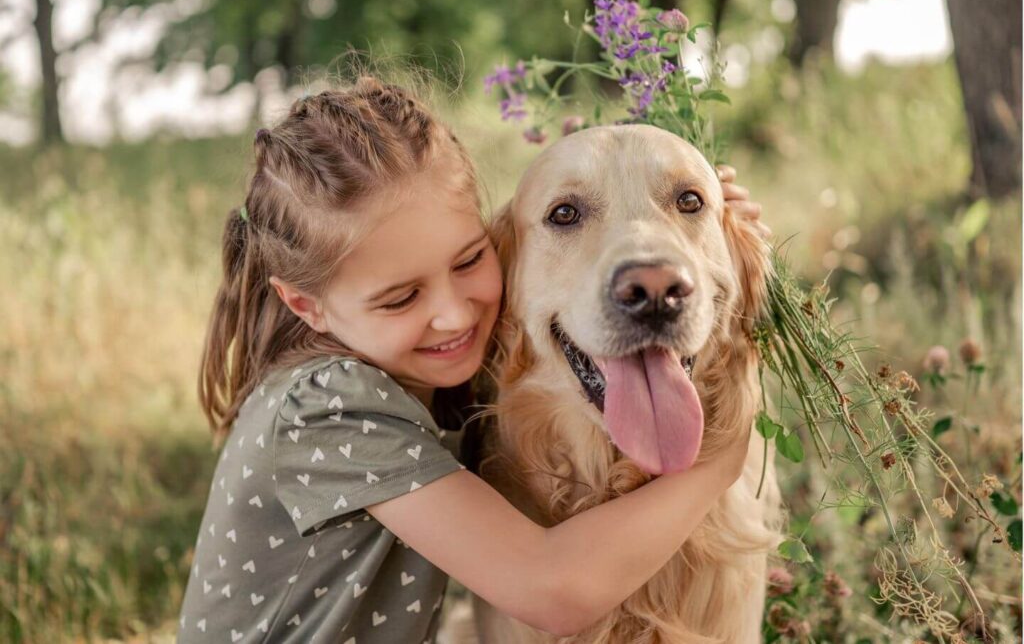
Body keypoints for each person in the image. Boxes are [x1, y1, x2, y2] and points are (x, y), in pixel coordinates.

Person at [176, 77, 767, 643]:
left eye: (467, 263)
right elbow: (555, 590)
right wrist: (718, 465)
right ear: (308, 305)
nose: (457, 317)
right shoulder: (328, 407)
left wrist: (704, 217)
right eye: (401, 297)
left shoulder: (437, 372)